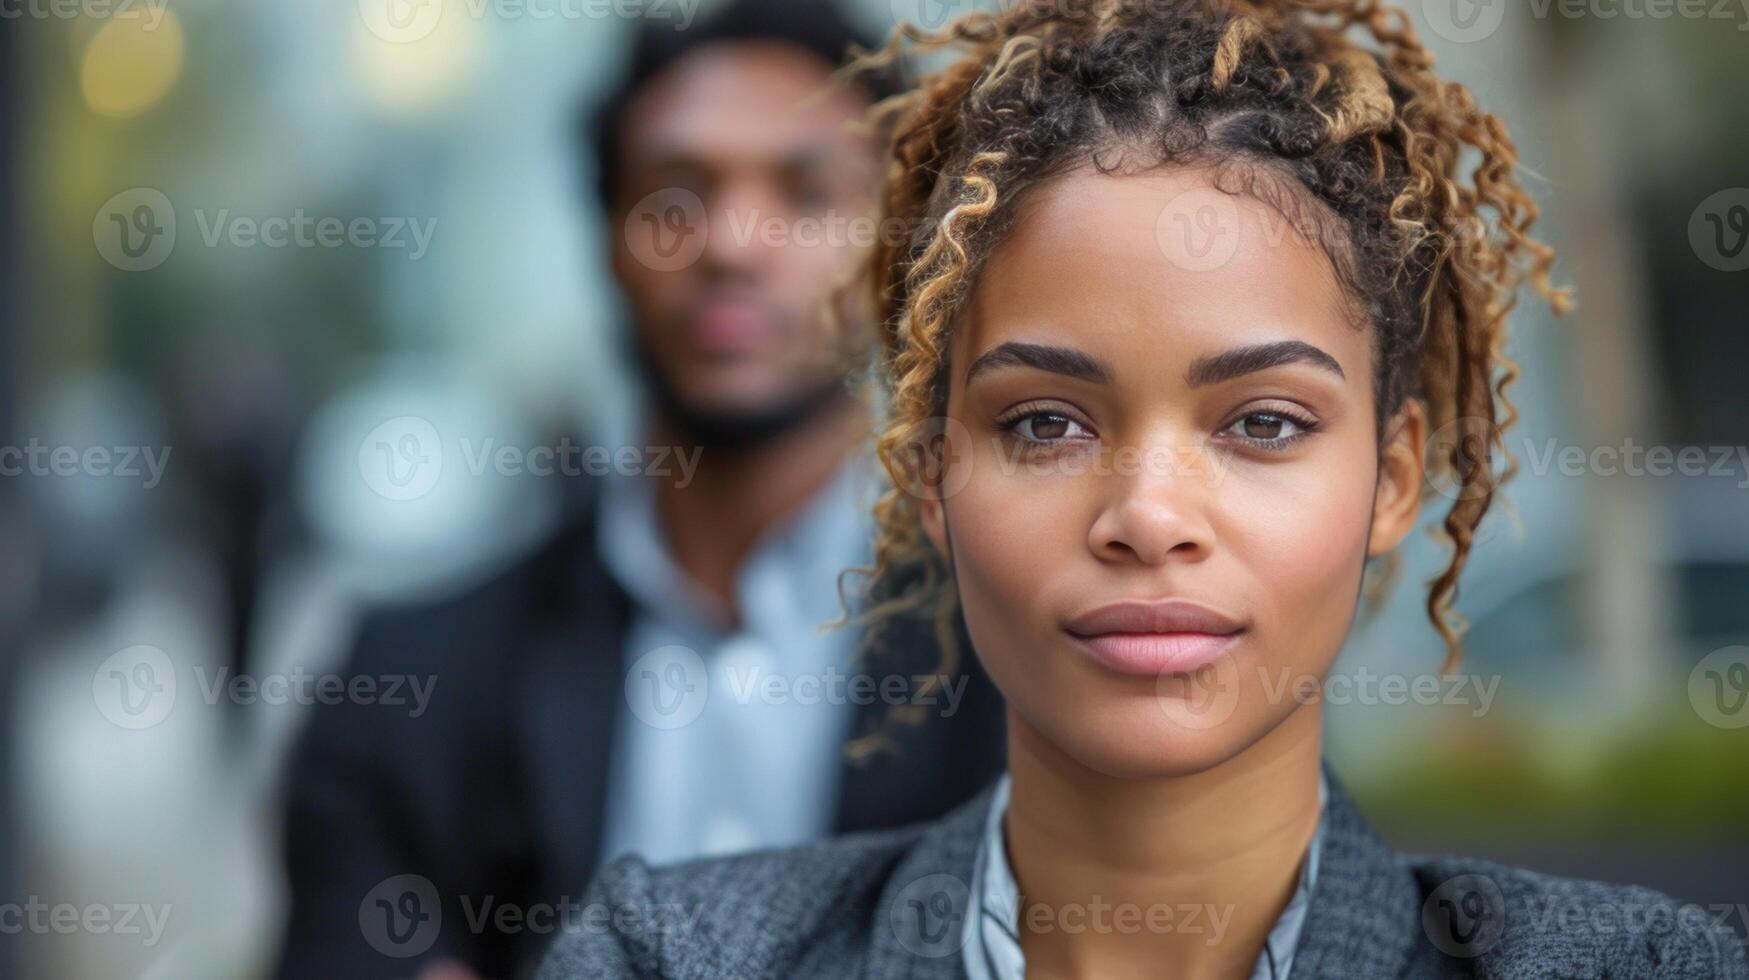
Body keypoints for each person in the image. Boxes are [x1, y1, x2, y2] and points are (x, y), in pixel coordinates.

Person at [534, 1, 1749, 978]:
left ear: (1392, 479)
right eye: (1045, 421)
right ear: (927, 471)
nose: (1151, 515)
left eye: (1264, 422)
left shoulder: (1643, 962)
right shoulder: (670, 953)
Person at [274, 3, 1006, 977]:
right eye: (674, 196)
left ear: (898, 247)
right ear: (612, 242)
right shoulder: (408, 688)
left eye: (806, 192)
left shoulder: (1017, 665)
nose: (731, 244)